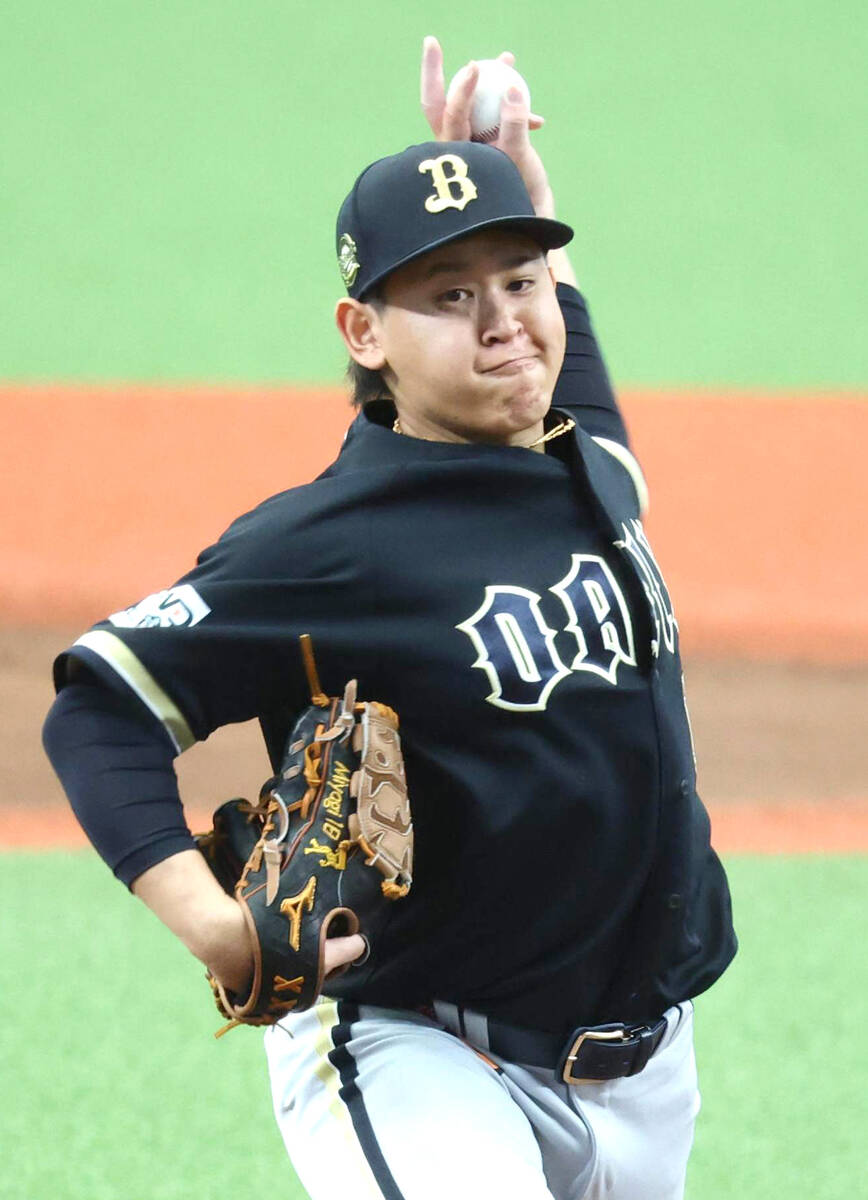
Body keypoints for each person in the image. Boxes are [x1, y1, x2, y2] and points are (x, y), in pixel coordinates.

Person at [43, 36, 736, 1200]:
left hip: (649, 1071)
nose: (502, 320)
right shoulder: (330, 541)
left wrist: (521, 196)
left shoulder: (576, 463)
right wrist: (211, 923)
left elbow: (561, 360)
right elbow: (99, 707)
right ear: (364, 333)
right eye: (450, 295)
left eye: (519, 281)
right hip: (419, 1050)